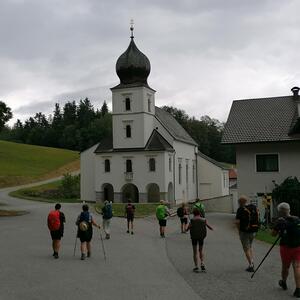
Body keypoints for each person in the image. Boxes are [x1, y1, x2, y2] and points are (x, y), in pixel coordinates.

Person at [272, 202, 300, 298]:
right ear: (289, 210)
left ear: (280, 212)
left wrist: (279, 228)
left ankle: (283, 282)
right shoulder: (297, 219)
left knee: (285, 266)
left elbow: (273, 234)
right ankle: (298, 289)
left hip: (286, 247)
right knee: (297, 267)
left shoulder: (280, 221)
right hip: (297, 247)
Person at [235, 195, 259, 272]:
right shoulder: (253, 207)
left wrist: (239, 231)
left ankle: (251, 264)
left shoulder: (240, 209)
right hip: (254, 230)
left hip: (244, 232)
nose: (238, 203)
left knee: (246, 248)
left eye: (239, 202)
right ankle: (251, 261)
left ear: (241, 202)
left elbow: (237, 222)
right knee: (249, 246)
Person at [186, 208, 213, 273]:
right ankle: (202, 263)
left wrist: (186, 229)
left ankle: (196, 267)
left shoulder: (192, 220)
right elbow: (208, 226)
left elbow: (188, 227)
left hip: (194, 237)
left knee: (195, 252)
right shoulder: (204, 219)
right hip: (201, 237)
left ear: (194, 213)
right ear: (199, 213)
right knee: (200, 250)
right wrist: (211, 228)